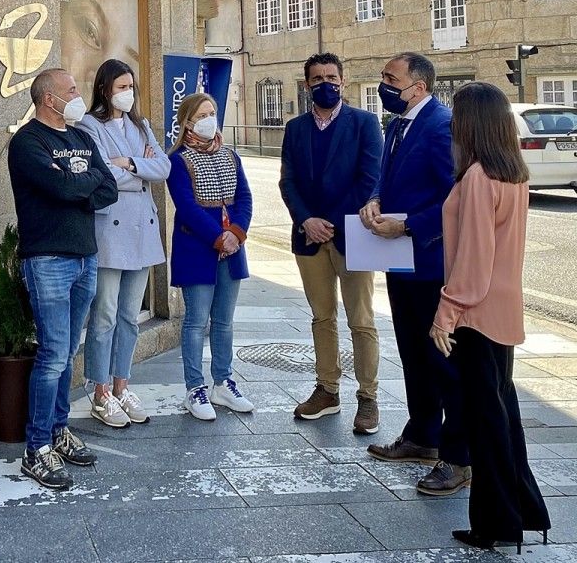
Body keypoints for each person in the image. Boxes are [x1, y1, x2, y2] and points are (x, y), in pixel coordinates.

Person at [430, 82, 550, 551]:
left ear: (472, 121)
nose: (451, 121)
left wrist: (446, 311)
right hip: (503, 311)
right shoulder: (513, 173)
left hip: (476, 315)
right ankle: (523, 512)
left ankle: (497, 523)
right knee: (504, 418)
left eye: (456, 113)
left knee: (486, 423)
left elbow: (474, 260)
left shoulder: (479, 177)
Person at [360, 52, 470, 496]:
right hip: (400, 260)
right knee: (411, 351)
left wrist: (408, 225)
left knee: (443, 362)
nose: (384, 84)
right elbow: (387, 176)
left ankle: (457, 457)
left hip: (430, 262)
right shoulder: (399, 122)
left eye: (391, 78)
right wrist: (374, 197)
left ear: (418, 87)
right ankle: (422, 434)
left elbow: (454, 198)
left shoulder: (440, 126)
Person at [8, 67, 118, 490]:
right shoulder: (27, 142)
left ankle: (57, 432)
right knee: (53, 354)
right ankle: (36, 449)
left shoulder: (82, 138)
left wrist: (78, 182)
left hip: (85, 258)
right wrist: (79, 183)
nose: (77, 95)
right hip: (48, 260)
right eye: (70, 89)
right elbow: (60, 188)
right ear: (48, 98)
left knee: (68, 351)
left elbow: (107, 186)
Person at [279, 53, 383, 434]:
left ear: (342, 79)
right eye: (318, 77)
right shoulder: (296, 128)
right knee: (322, 318)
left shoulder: (365, 123)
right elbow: (287, 181)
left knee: (361, 320)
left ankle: (368, 398)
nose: (326, 83)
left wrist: (333, 224)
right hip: (308, 238)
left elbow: (370, 179)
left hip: (353, 235)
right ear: (307, 84)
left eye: (332, 76)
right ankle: (327, 390)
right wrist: (306, 219)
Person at [78, 59, 170, 428]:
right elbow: (102, 175)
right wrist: (137, 170)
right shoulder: (89, 125)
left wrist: (129, 163)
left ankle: (121, 385)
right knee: (104, 315)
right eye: (121, 87)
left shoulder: (141, 124)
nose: (128, 93)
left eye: (131, 86)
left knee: (130, 316)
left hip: (143, 229)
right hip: (110, 231)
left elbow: (162, 168)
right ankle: (100, 391)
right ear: (104, 89)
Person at [167, 92, 254, 421]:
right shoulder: (178, 160)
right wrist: (219, 238)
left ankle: (223, 381)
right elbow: (187, 208)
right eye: (202, 114)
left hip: (232, 250)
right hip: (198, 249)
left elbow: (244, 197)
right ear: (187, 122)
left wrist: (236, 234)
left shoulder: (231, 155)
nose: (209, 119)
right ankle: (194, 387)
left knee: (224, 322)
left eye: (212, 112)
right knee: (195, 322)